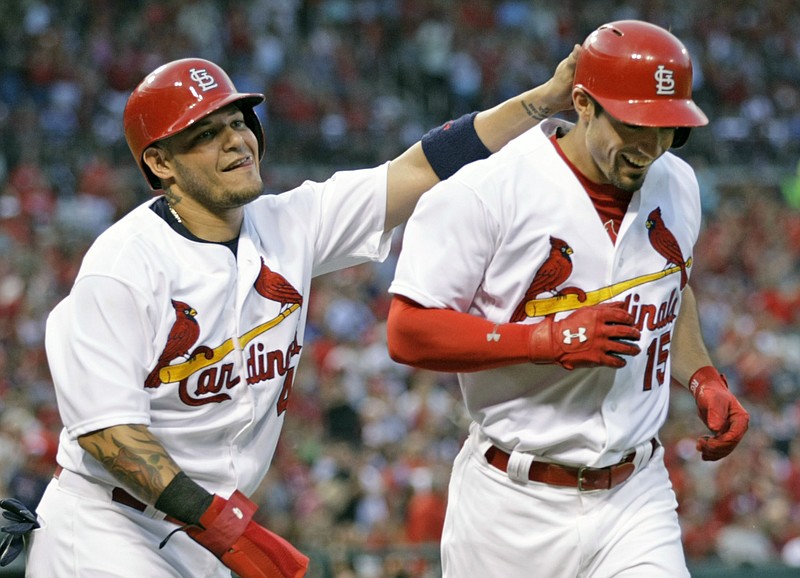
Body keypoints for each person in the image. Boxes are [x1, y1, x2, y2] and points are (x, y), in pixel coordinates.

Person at [18, 47, 580, 577]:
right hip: (108, 529)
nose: (236, 141)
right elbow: (108, 434)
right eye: (206, 134)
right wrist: (221, 525)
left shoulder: (289, 224)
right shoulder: (121, 267)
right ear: (160, 162)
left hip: (202, 534)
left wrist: (542, 101)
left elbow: (420, 167)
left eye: (238, 122)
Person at [386, 20, 750, 578]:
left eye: (668, 129)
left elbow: (670, 288)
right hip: (511, 505)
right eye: (634, 125)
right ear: (582, 102)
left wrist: (704, 378)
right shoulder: (488, 188)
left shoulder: (677, 182)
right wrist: (543, 339)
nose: (650, 147)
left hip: (636, 494)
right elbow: (407, 330)